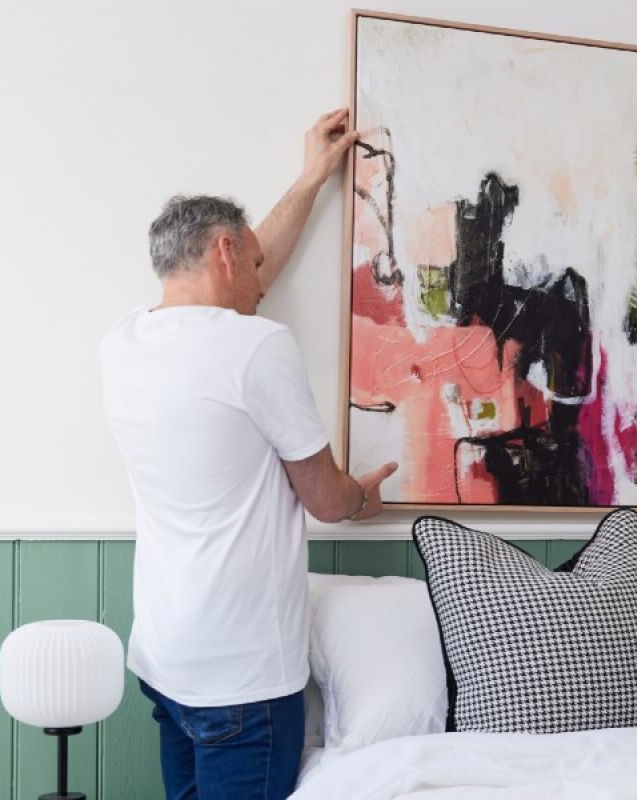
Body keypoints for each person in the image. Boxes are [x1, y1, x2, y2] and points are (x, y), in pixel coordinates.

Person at [99, 108, 397, 799]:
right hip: (242, 679)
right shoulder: (256, 347)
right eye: (255, 264)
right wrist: (362, 496)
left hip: (165, 659)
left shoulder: (120, 342)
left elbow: (238, 269)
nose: (265, 283)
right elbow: (325, 499)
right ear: (228, 253)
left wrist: (312, 177)